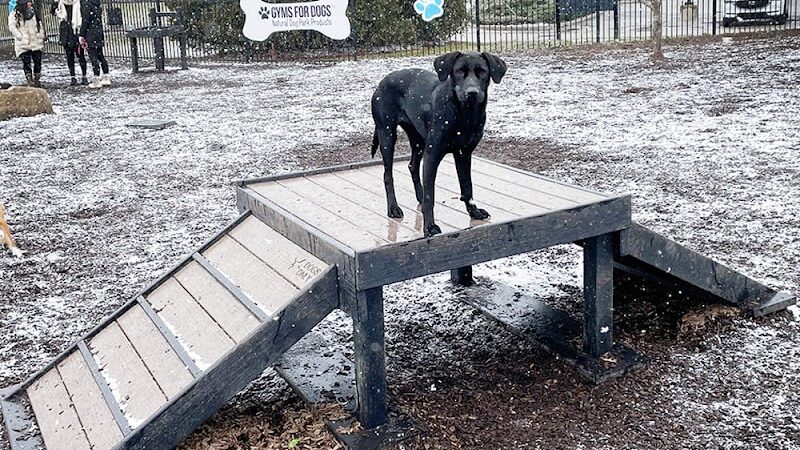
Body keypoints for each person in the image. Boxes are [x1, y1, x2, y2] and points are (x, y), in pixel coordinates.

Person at [8, 0, 45, 87]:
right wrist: (20, 36)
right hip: (23, 42)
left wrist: (41, 34)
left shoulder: (34, 11)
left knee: (37, 61)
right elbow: (12, 26)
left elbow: (39, 24)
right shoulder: (15, 14)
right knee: (26, 62)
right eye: (28, 2)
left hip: (35, 40)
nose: (30, 4)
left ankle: (37, 79)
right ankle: (30, 80)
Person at [52, 0, 88, 86]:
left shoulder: (79, 2)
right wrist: (55, 3)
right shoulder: (61, 3)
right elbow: (53, 12)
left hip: (76, 31)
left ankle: (84, 75)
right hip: (66, 32)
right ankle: (73, 76)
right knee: (69, 56)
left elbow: (84, 15)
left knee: (80, 55)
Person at [79, 0, 111, 89]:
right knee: (100, 55)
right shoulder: (97, 4)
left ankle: (96, 79)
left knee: (93, 57)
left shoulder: (86, 4)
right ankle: (106, 76)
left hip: (90, 34)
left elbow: (85, 21)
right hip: (98, 32)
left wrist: (81, 34)